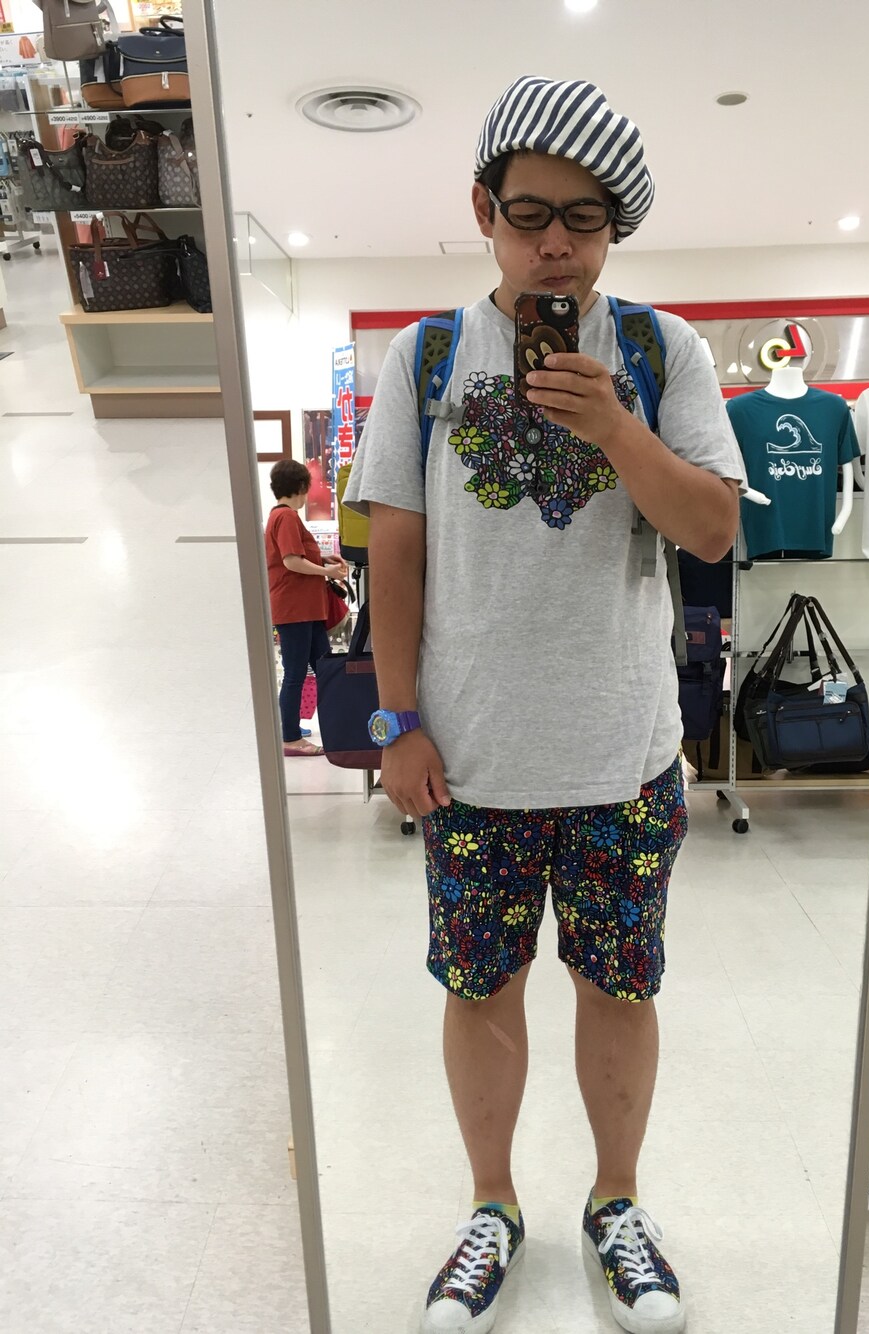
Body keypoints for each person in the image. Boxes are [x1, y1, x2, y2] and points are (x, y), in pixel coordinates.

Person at [344, 74, 746, 1334]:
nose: (555, 243)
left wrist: (615, 425)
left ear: (616, 225)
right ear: (484, 210)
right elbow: (393, 547)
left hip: (624, 753)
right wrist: (393, 721)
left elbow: (712, 528)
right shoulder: (423, 357)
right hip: (469, 759)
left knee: (619, 986)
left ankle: (615, 1202)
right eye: (529, 214)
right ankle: (491, 1205)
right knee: (480, 989)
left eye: (585, 217)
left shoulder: (661, 351)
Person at [264, 459, 348, 757]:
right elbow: (291, 561)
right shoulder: (286, 517)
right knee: (297, 673)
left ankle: (308, 728)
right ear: (301, 486)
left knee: (323, 668)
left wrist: (323, 559)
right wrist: (328, 572)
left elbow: (296, 555)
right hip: (295, 609)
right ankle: (290, 738)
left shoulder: (281, 517)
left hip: (304, 610)